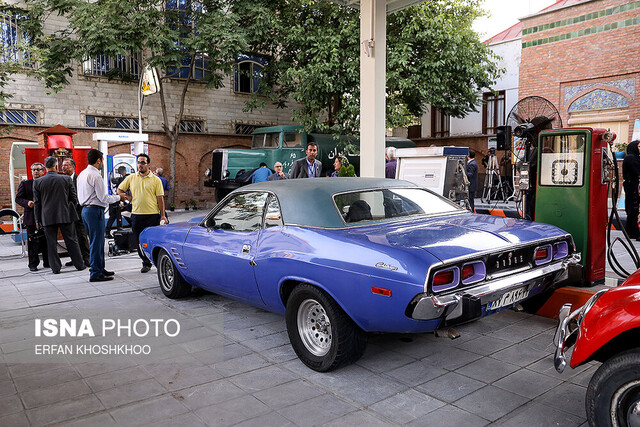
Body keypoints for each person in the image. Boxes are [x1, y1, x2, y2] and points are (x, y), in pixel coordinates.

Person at [33, 156, 86, 274]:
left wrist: (37, 219)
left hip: (47, 216)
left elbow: (37, 203)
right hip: (65, 214)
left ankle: (55, 268)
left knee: (51, 243)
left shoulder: (37, 182)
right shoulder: (66, 179)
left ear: (45, 167)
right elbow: (74, 198)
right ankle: (79, 264)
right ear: (56, 166)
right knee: (72, 240)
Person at [77, 149, 124, 282]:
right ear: (99, 160)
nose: (102, 163)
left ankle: (100, 268)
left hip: (86, 210)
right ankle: (96, 273)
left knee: (96, 241)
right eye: (102, 160)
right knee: (96, 243)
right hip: (94, 211)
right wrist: (118, 197)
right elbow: (103, 197)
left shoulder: (82, 174)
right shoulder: (96, 176)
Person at [117, 153, 168, 273]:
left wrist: (163, 215)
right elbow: (119, 189)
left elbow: (160, 198)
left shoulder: (156, 180)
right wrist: (128, 198)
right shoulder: (131, 178)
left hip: (153, 215)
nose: (140, 165)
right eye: (139, 162)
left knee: (154, 240)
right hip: (137, 215)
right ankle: (146, 262)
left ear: (148, 165)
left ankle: (158, 261)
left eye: (143, 162)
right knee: (139, 240)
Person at [15, 162, 49, 271]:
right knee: (32, 241)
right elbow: (18, 198)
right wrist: (27, 202)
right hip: (31, 217)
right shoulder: (25, 184)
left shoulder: (46, 182)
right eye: (34, 170)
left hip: (45, 216)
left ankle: (48, 262)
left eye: (38, 169)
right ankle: (33, 264)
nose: (36, 172)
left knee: (46, 241)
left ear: (43, 171)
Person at [61, 158, 91, 267]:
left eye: (66, 165)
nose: (64, 167)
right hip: (66, 212)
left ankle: (87, 258)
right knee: (71, 237)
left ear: (73, 167)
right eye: (63, 165)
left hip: (79, 211)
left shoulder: (79, 179)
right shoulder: (61, 180)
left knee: (81, 235)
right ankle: (75, 258)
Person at [623, 140, 640, 239]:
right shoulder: (630, 158)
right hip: (632, 186)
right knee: (633, 209)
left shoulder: (635, 158)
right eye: (638, 146)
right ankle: (633, 232)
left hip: (633, 185)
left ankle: (632, 232)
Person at [106, 166, 128, 238]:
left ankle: (111, 230)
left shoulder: (114, 179)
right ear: (124, 171)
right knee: (114, 216)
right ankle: (109, 231)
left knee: (114, 216)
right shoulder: (121, 180)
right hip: (116, 200)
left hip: (112, 199)